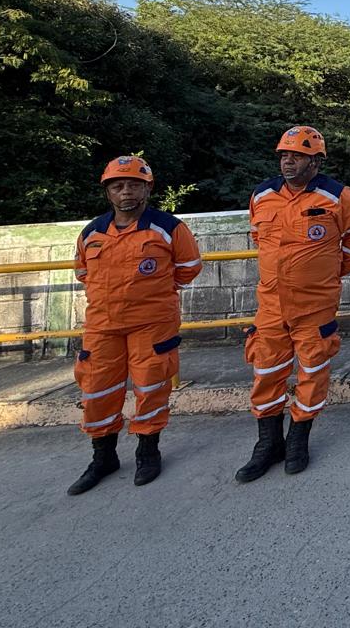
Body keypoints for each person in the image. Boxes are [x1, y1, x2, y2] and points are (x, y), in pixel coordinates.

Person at [235, 126, 350, 483]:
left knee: (312, 371)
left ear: (316, 160)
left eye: (297, 155)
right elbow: (259, 237)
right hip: (271, 304)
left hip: (315, 304)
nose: (288, 161)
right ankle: (267, 443)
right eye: (283, 155)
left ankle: (298, 438)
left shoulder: (338, 197)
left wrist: (330, 274)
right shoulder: (262, 195)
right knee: (266, 372)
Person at [69, 155, 202, 494]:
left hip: (151, 325)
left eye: (133, 184)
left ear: (147, 188)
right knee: (97, 390)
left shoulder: (168, 228)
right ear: (108, 192)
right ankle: (103, 457)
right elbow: (83, 273)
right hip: (102, 326)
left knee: (151, 387)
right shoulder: (93, 232)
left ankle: (148, 451)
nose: (125, 191)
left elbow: (188, 267)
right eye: (118, 186)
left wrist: (154, 295)